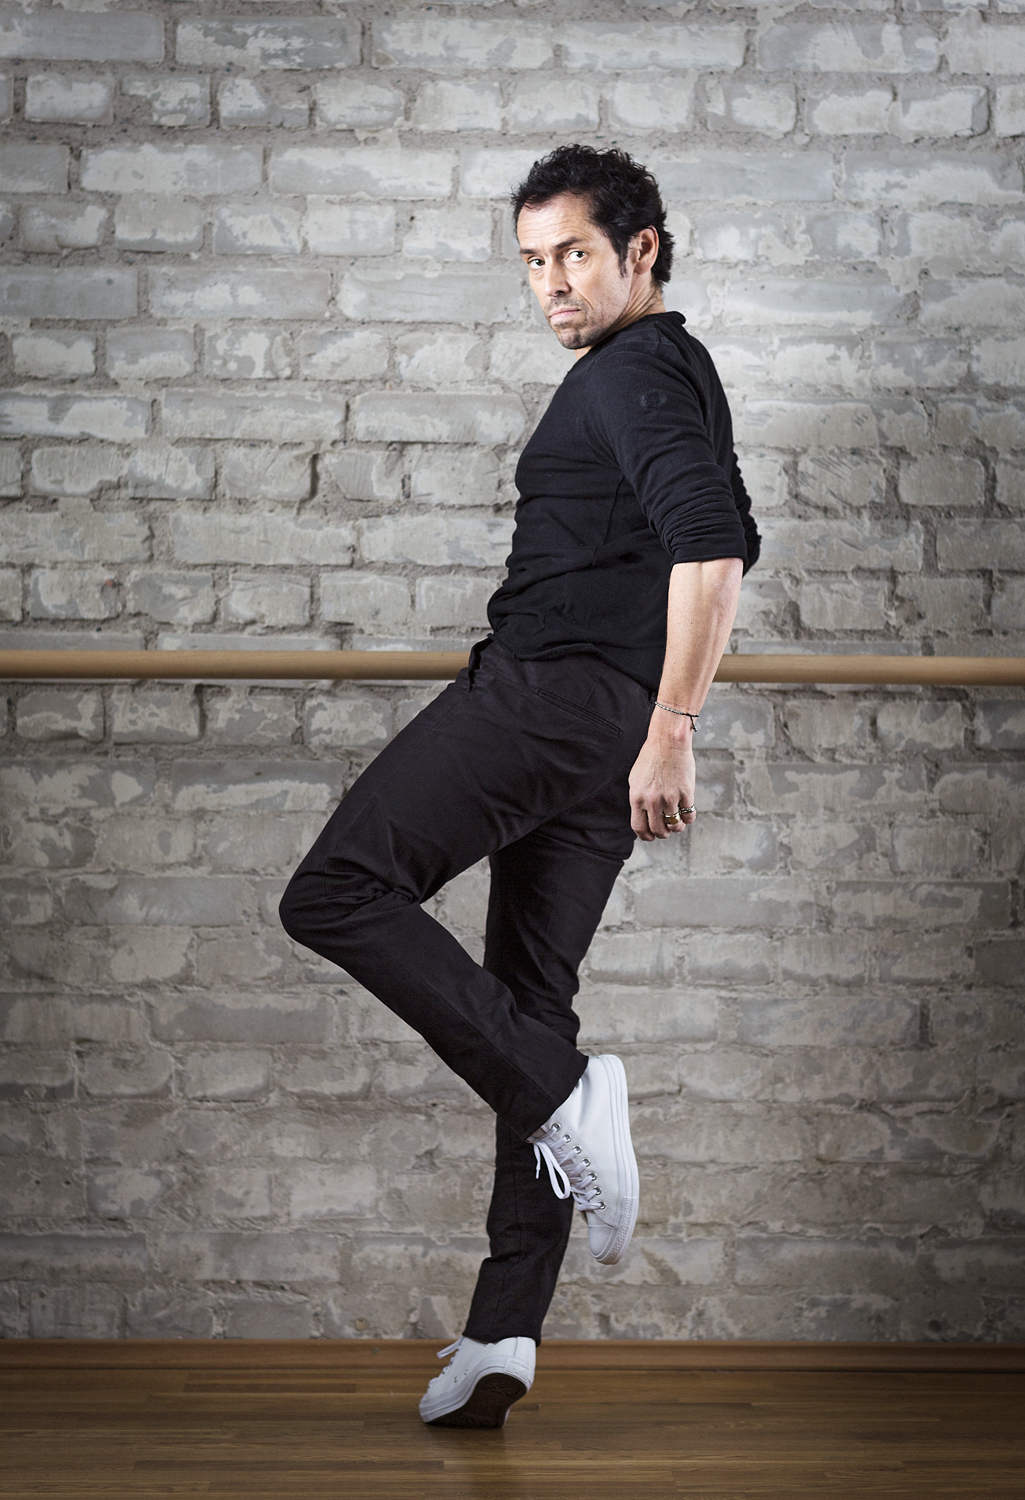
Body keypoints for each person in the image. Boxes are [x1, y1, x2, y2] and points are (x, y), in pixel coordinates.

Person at [279, 144, 760, 1428]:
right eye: (532, 261)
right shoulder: (677, 373)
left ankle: (563, 1098)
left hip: (551, 702)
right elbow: (722, 535)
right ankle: (502, 1334)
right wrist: (649, 726)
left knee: (334, 892)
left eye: (573, 255)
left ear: (640, 250)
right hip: (603, 730)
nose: (550, 283)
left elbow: (713, 548)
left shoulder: (632, 371)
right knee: (530, 1004)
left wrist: (673, 728)